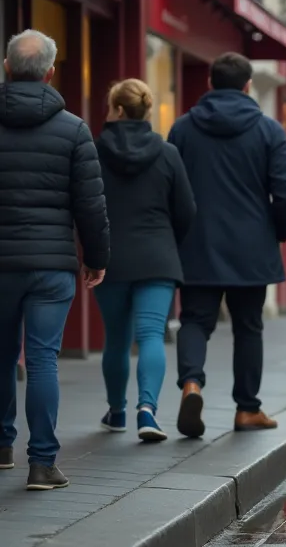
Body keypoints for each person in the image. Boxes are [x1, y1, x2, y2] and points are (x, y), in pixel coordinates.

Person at [169, 52, 286, 439]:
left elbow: (170, 187)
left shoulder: (182, 129)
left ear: (210, 83)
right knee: (248, 327)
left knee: (194, 320)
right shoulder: (268, 130)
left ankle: (192, 384)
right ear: (248, 86)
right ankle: (247, 409)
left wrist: (180, 231)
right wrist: (278, 231)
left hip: (198, 242)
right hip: (251, 244)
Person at [0, 30, 109, 490]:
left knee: (2, 355)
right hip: (51, 266)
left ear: (6, 68)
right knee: (43, 358)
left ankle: (2, 445)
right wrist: (96, 258)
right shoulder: (74, 129)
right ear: (49, 73)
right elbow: (91, 205)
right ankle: (41, 464)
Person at [93, 79, 195, 442]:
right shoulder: (168, 154)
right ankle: (147, 411)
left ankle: (117, 410)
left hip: (111, 258)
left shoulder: (95, 151)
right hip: (157, 258)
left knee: (116, 340)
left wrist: (90, 250)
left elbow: (85, 206)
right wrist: (169, 243)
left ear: (118, 110)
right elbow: (187, 210)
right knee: (152, 334)